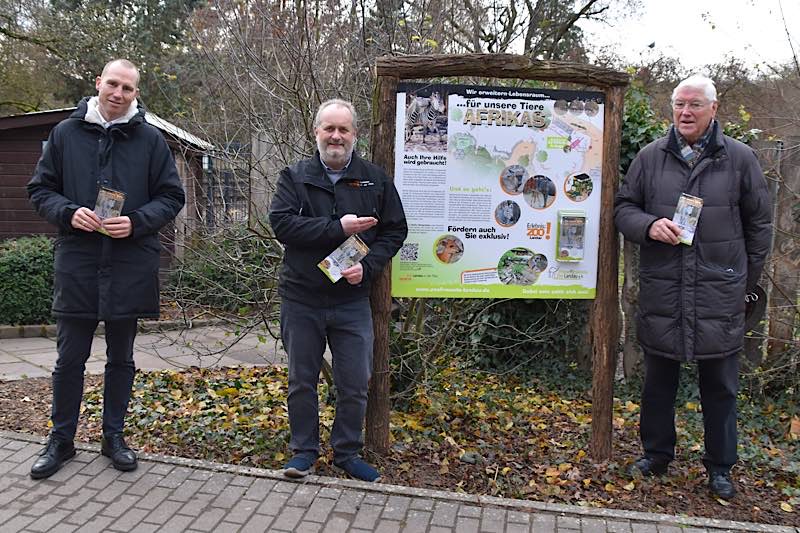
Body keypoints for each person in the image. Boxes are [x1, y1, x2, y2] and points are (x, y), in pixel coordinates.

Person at [614, 75, 772, 500]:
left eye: (695, 105)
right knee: (657, 383)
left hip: (719, 293)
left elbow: (760, 227)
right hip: (664, 290)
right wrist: (649, 225)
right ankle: (656, 455)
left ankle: (720, 468)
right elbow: (623, 209)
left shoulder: (740, 159)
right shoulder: (649, 158)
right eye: (679, 104)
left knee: (720, 387)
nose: (685, 112)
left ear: (714, 109)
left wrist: (745, 283)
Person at [27, 59, 185, 479]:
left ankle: (113, 437)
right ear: (98, 83)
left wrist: (136, 221)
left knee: (122, 358)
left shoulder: (151, 141)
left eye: (127, 88)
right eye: (112, 84)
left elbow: (171, 197)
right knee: (69, 359)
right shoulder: (64, 134)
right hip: (78, 261)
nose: (118, 93)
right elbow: (40, 190)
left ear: (136, 93)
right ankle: (61, 440)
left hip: (129, 261)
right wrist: (66, 212)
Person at [269, 99, 407, 482]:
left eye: (343, 129)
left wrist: (369, 266)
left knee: (354, 381)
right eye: (329, 128)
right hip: (302, 298)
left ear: (355, 135)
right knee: (301, 381)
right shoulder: (294, 177)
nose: (335, 136)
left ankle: (347, 453)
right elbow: (282, 225)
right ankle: (304, 453)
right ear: (316, 132)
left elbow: (395, 230)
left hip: (351, 302)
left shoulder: (374, 179)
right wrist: (337, 227)